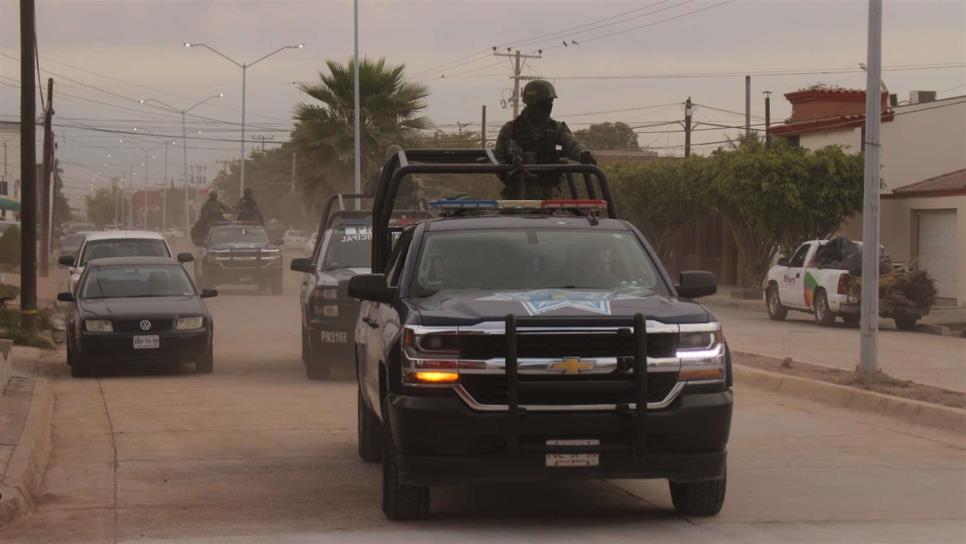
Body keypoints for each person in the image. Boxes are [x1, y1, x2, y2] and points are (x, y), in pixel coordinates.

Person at [493, 80, 596, 199]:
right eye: (545, 102)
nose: (549, 105)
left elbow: (572, 144)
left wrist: (583, 154)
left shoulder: (556, 129)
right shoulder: (511, 130)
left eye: (550, 102)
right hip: (518, 197)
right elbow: (498, 160)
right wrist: (510, 175)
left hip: (549, 198)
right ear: (533, 103)